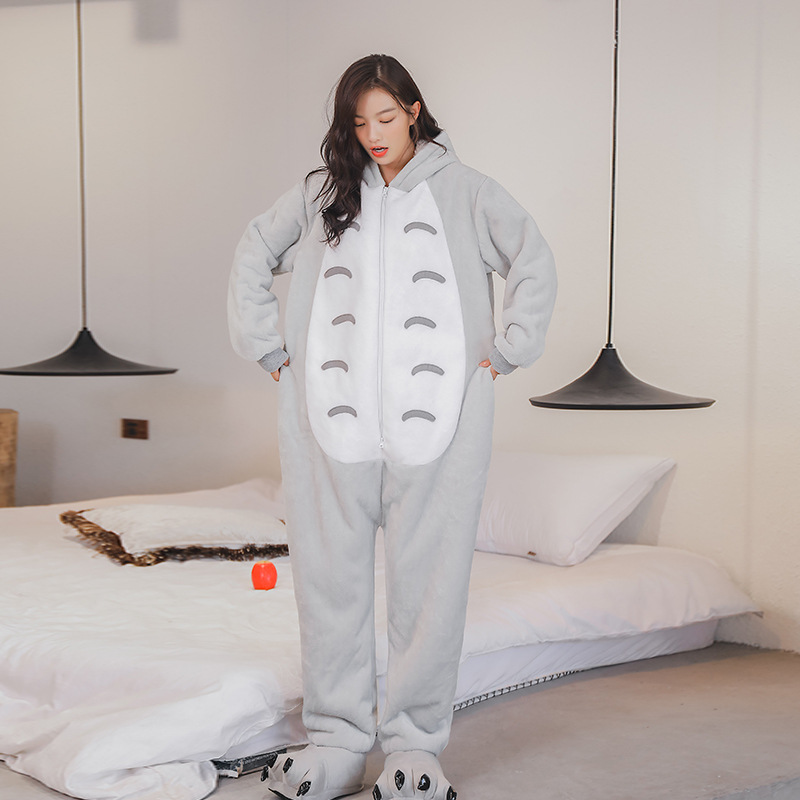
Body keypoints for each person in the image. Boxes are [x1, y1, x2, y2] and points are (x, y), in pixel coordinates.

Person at [228, 53, 556, 800]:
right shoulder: (321, 194)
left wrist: (509, 350)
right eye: (358, 122)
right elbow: (253, 251)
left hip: (440, 428)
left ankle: (414, 747)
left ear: (414, 110)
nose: (374, 135)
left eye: (385, 117)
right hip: (327, 424)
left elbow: (533, 261)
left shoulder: (467, 192)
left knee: (429, 593)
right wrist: (269, 347)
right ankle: (337, 741)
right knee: (328, 588)